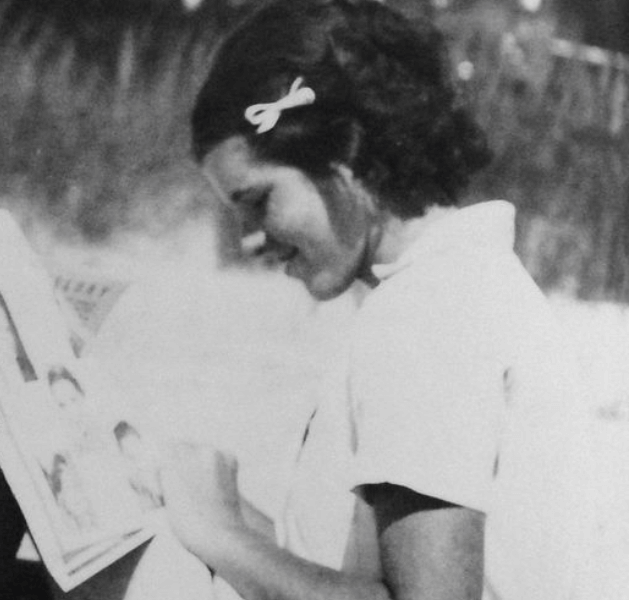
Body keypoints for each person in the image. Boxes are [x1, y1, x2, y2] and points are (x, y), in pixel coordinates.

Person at [159, 1, 593, 600]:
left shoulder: (427, 316)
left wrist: (219, 533)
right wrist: (210, 515)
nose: (249, 241)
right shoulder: (456, 286)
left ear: (343, 156)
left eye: (259, 201)